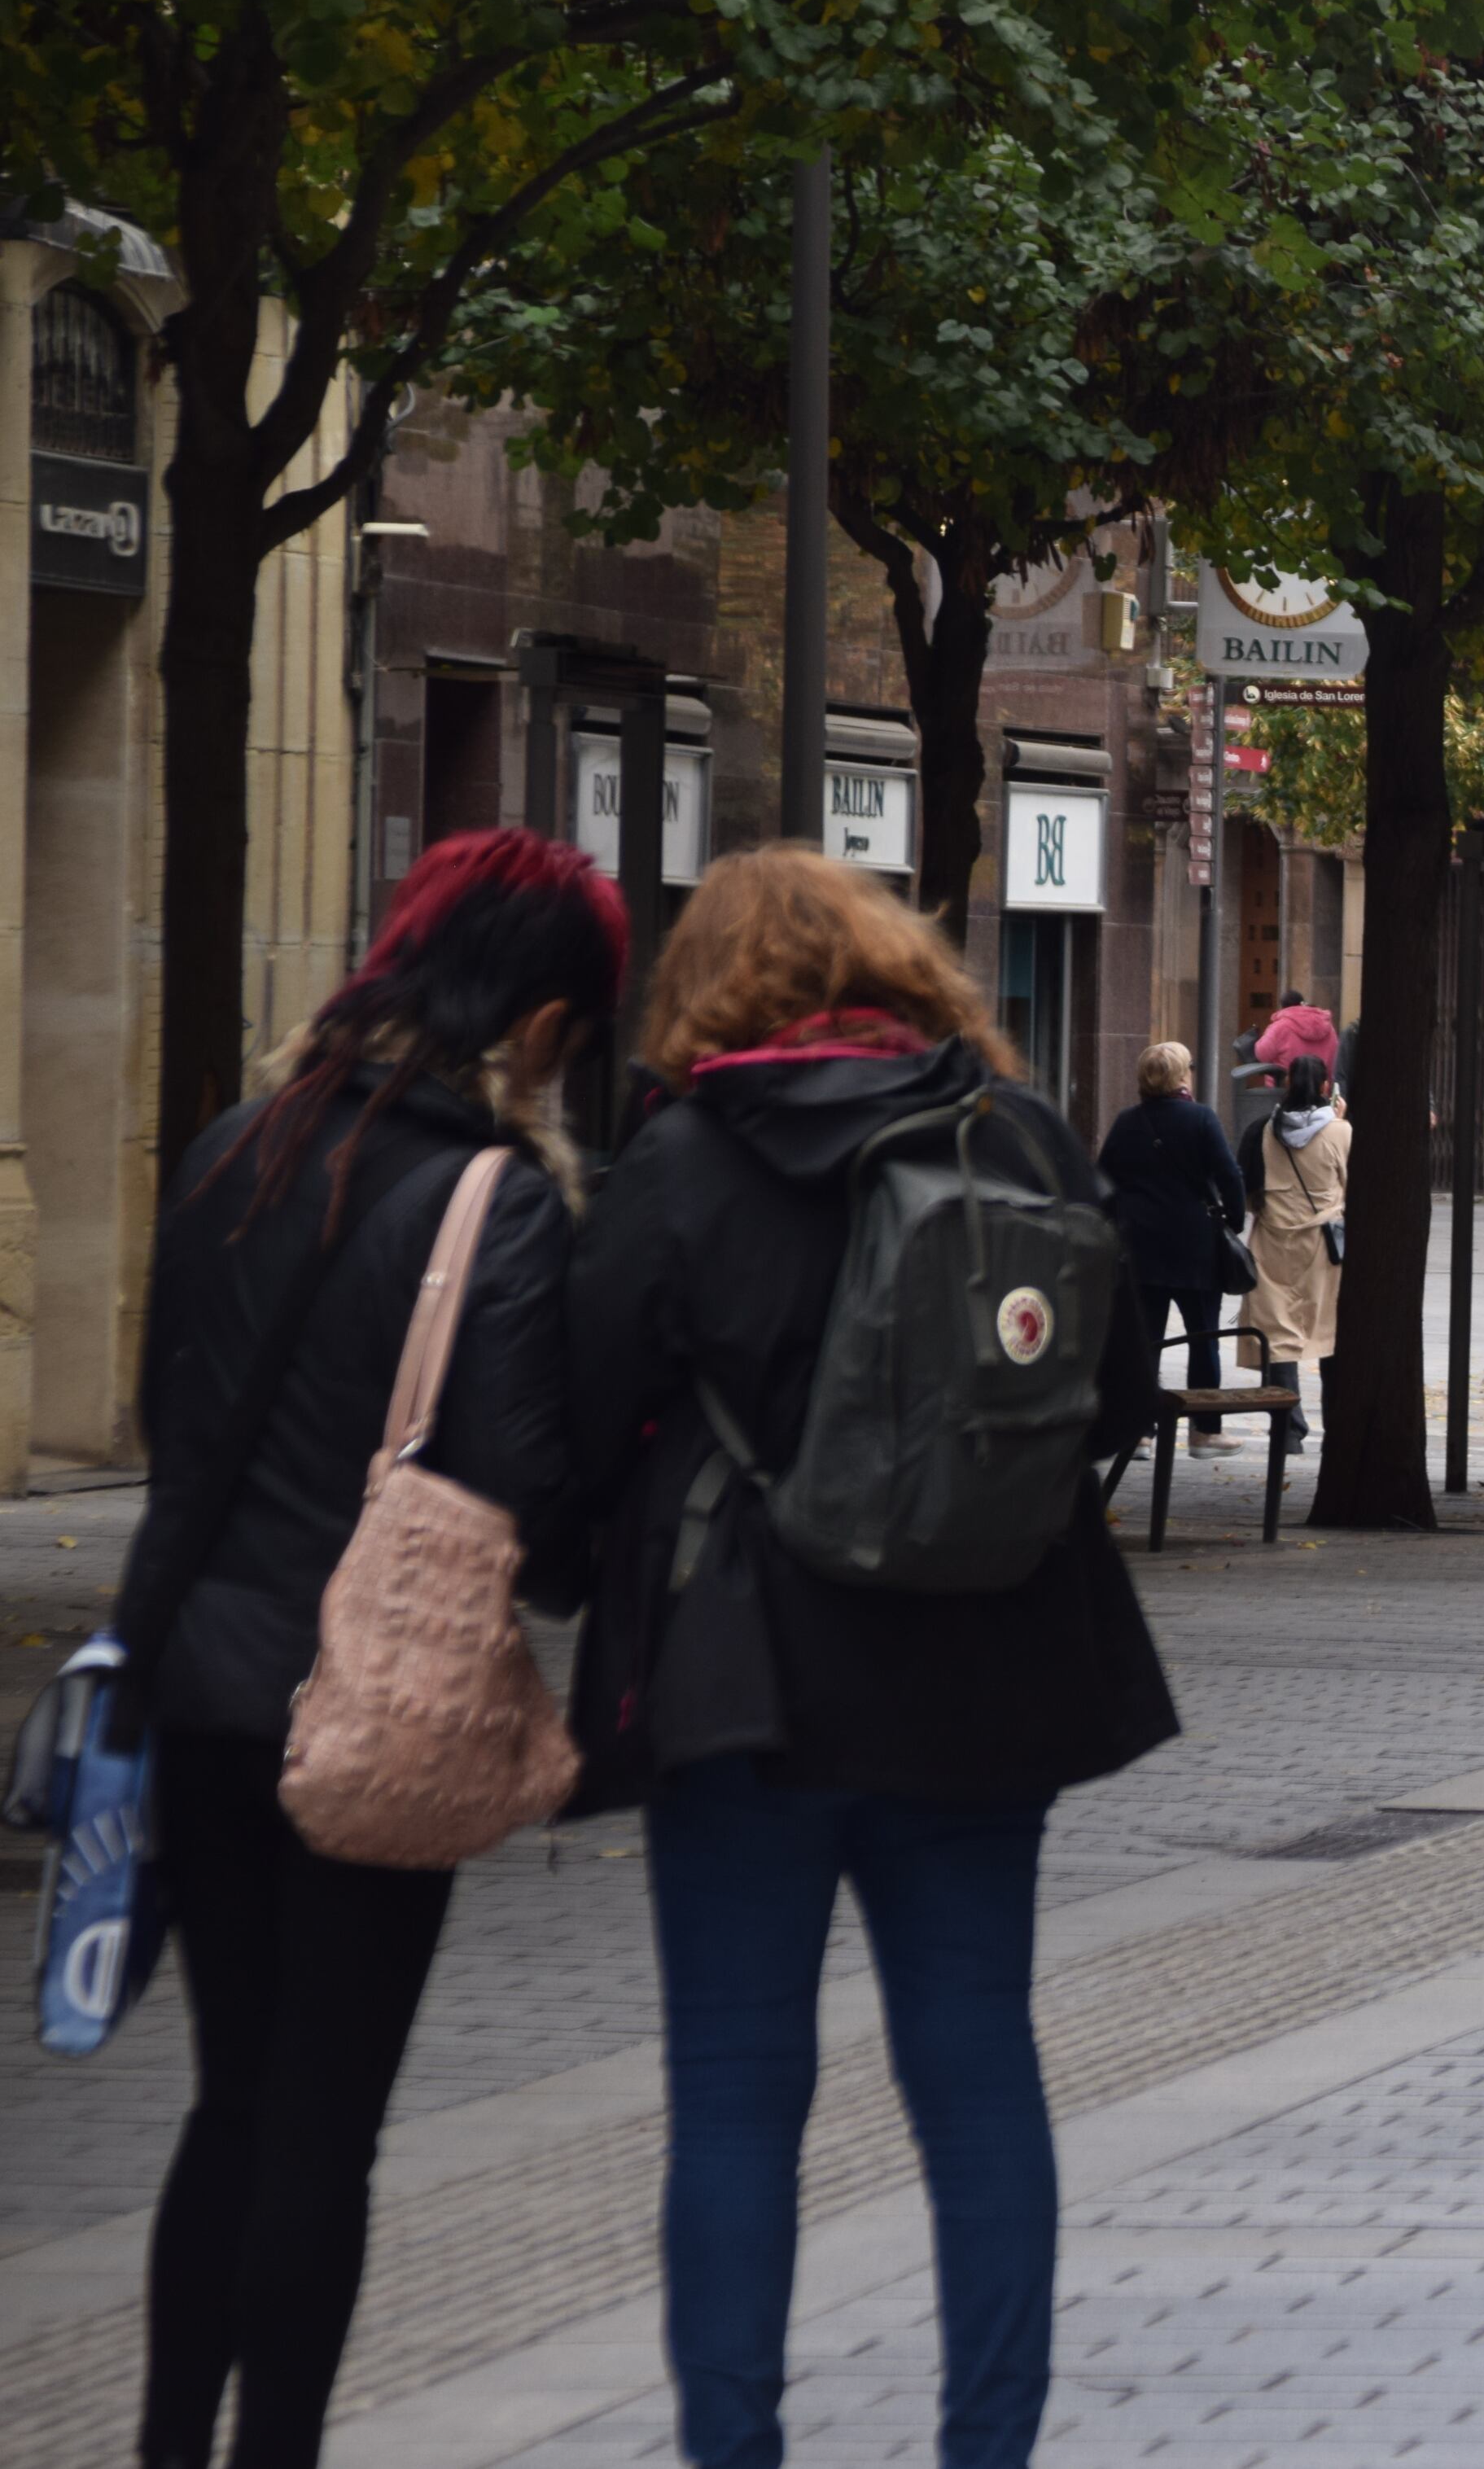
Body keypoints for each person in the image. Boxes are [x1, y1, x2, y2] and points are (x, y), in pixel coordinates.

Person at [566, 844, 1175, 2467]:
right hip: (986, 1670)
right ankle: (988, 2446)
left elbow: (570, 1420)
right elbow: (1113, 1398)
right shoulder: (1016, 1129)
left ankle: (734, 2450)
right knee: (979, 2068)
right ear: (900, 965)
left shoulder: (684, 1155)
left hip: (741, 1683)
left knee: (735, 2098)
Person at [120, 830, 617, 2469]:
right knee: (323, 2131)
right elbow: (527, 1507)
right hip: (376, 1721)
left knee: (229, 2102)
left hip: (192, 1694)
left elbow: (169, 1426)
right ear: (540, 1021)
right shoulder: (499, 1201)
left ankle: (171, 2444)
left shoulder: (224, 1152)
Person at [1097, 1040, 1251, 1456]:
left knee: (1144, 1340)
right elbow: (1230, 1176)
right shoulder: (1200, 1118)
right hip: (1195, 1248)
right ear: (1181, 1075)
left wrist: (1119, 1224)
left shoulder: (1127, 1122)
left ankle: (1140, 1432)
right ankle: (1204, 1431)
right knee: (1204, 1338)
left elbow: (1101, 1181)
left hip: (1140, 1249)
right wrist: (1233, 1222)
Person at [1239, 1053, 1350, 1447]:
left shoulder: (1261, 1131)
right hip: (1324, 1249)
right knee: (1332, 1334)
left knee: (1279, 1336)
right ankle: (1339, 1427)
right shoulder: (1341, 1132)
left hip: (1272, 1246)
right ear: (1325, 1087)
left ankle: (1288, 1431)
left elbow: (1246, 1192)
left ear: (1287, 1085)